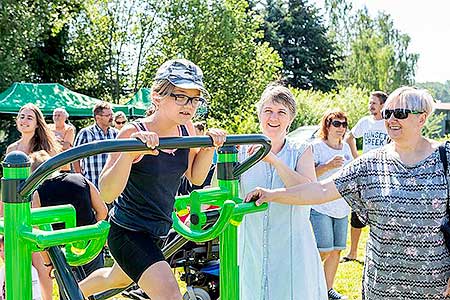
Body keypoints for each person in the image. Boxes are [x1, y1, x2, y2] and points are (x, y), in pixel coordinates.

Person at [246, 87, 450, 299]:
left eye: (400, 113)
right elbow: (322, 190)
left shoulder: (446, 158)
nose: (391, 120)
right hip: (382, 286)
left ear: (422, 118)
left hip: (435, 285)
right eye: (387, 113)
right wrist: (271, 194)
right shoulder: (370, 162)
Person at [79, 58, 226, 300]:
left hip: (158, 230)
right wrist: (130, 154)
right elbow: (106, 192)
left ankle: (71, 293)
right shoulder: (133, 132)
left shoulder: (186, 129)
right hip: (129, 231)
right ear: (157, 96)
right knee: (170, 294)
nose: (189, 105)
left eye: (195, 98)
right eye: (180, 96)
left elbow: (195, 177)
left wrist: (209, 145)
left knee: (114, 279)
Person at [238, 84, 327, 300]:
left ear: (290, 119)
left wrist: (273, 161)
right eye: (268, 111)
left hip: (292, 248)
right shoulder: (240, 150)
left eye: (281, 112)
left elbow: (309, 193)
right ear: (259, 114)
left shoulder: (301, 150)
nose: (273, 118)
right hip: (252, 246)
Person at [4, 103, 59, 300]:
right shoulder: (12, 148)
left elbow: (53, 179)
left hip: (38, 208)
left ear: (37, 123)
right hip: (13, 209)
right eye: (21, 116)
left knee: (41, 262)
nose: (24, 120)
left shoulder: (44, 149)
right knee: (14, 259)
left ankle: (46, 298)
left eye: (29, 117)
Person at [29, 150, 108, 281]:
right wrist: (94, 236)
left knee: (69, 292)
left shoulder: (38, 193)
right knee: (95, 288)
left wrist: (48, 262)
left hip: (63, 251)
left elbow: (38, 230)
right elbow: (103, 211)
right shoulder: (81, 179)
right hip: (90, 246)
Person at [310, 110, 353, 300]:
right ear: (327, 125)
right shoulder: (316, 147)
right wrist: (327, 166)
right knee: (323, 249)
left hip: (341, 207)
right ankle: (308, 283)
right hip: (320, 206)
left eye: (344, 124)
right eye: (337, 123)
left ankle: (327, 291)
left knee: (336, 250)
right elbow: (307, 176)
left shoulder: (345, 148)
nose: (341, 128)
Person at [343, 91, 388, 263]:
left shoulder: (388, 123)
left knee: (379, 213)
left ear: (383, 105)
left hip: (382, 173)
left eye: (374, 103)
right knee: (357, 211)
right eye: (370, 103)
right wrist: (357, 157)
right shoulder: (365, 122)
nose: (371, 106)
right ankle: (353, 253)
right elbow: (349, 137)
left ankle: (379, 254)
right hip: (364, 173)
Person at [73, 102, 118, 188]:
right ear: (98, 118)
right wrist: (80, 177)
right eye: (108, 115)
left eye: (112, 114)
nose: (112, 118)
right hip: (91, 183)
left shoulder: (116, 134)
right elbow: (74, 157)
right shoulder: (85, 133)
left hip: (112, 184)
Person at [49, 107, 75, 172]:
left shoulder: (69, 129)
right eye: (55, 115)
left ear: (65, 118)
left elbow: (66, 146)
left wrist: (52, 141)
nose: (56, 117)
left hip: (63, 165)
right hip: (49, 164)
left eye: (59, 115)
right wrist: (59, 141)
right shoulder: (48, 127)